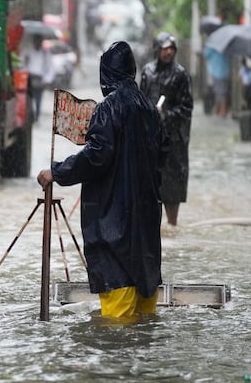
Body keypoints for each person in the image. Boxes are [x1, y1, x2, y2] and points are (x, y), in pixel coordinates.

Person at [37, 41, 166, 322]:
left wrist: (56, 172)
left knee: (115, 332)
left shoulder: (108, 109)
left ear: (106, 74)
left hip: (114, 228)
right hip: (145, 231)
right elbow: (162, 159)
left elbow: (96, 156)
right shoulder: (150, 111)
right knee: (146, 325)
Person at [141, 32, 193, 226]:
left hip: (174, 140)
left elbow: (187, 107)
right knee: (149, 183)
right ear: (157, 50)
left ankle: (172, 225)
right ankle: (153, 228)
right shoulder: (148, 72)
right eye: (164, 48)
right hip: (150, 137)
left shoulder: (181, 74)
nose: (168, 52)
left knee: (172, 187)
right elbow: (140, 99)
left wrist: (166, 114)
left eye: (171, 48)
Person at [23, 35, 53, 122]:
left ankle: (37, 115)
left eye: (39, 41)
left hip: (40, 79)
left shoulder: (45, 53)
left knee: (38, 99)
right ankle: (30, 115)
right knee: (29, 98)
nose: (37, 43)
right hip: (30, 78)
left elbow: (49, 67)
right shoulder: (29, 52)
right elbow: (24, 64)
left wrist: (47, 79)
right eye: (36, 41)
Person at [203, 43, 230, 118]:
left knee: (220, 92)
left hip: (216, 71)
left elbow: (206, 54)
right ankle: (219, 110)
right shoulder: (224, 44)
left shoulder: (212, 44)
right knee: (223, 91)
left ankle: (223, 111)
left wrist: (205, 48)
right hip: (225, 70)